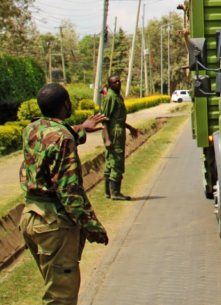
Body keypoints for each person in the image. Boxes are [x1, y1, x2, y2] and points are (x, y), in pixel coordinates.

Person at [20, 83, 109, 305]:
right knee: (61, 299)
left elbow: (55, 136)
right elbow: (68, 192)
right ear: (66, 104)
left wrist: (82, 127)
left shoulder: (31, 130)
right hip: (54, 224)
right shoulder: (63, 138)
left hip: (31, 217)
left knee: (54, 288)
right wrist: (92, 227)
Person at [101, 75, 139, 200]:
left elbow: (118, 118)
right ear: (109, 84)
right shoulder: (110, 97)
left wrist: (130, 128)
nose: (117, 83)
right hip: (113, 133)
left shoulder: (117, 96)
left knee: (111, 161)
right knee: (116, 161)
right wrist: (107, 139)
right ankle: (115, 193)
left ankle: (108, 192)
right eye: (114, 82)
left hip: (118, 129)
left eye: (118, 81)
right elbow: (105, 119)